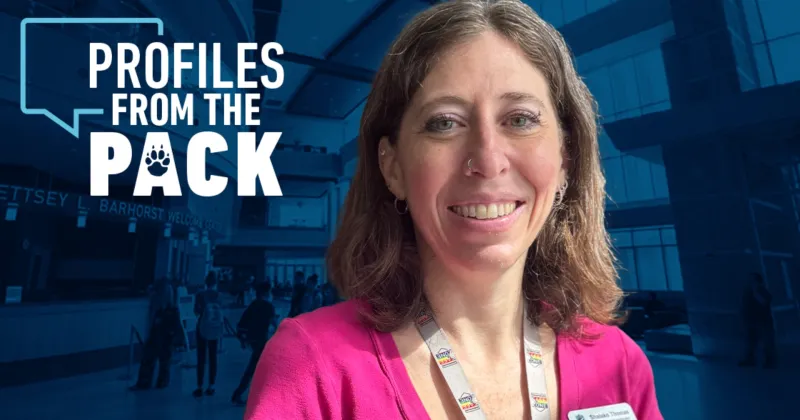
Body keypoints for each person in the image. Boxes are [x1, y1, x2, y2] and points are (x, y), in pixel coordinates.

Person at [245, 1, 662, 419]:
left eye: (519, 119)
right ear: (393, 168)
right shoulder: (314, 370)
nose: (487, 158)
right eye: (445, 122)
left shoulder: (619, 366)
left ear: (566, 157)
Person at [129, 277, 181, 391]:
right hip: (167, 338)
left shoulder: (159, 307)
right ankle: (162, 382)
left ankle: (144, 382)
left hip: (157, 336)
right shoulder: (172, 308)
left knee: (148, 359)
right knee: (164, 361)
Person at [232, 282, 279, 405]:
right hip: (262, 340)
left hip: (253, 340)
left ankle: (242, 394)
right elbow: (275, 324)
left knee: (256, 367)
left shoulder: (253, 305)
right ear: (267, 292)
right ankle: (241, 394)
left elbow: (241, 323)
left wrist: (243, 340)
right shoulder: (268, 307)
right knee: (256, 368)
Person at [193, 271, 223, 397]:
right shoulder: (218, 295)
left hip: (202, 327)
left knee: (201, 357)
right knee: (213, 357)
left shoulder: (200, 294)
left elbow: (196, 311)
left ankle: (199, 386)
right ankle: (211, 385)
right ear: (216, 282)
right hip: (215, 328)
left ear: (206, 281)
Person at [739, 272, 776, 368]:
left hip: (763, 321)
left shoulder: (763, 291)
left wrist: (756, 292)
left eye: (752, 280)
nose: (750, 282)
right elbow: (744, 305)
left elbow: (764, 302)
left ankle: (769, 361)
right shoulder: (748, 292)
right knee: (750, 341)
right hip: (751, 320)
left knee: (766, 341)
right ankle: (750, 359)